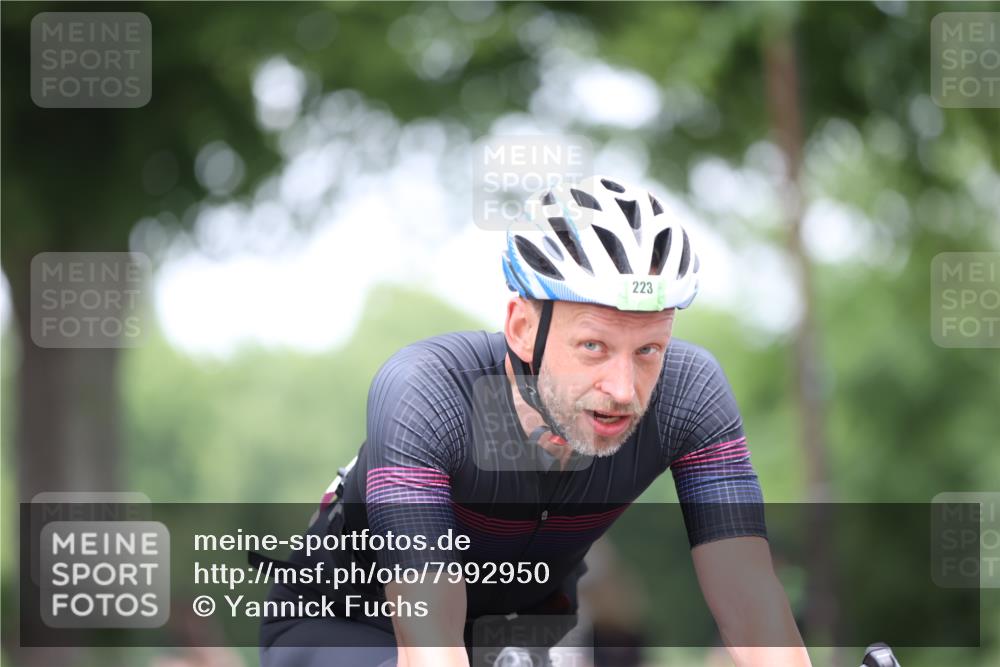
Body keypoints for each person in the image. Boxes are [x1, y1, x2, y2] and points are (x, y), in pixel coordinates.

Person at [258, 176, 812, 667]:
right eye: (593, 345)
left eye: (648, 350)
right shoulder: (427, 393)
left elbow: (751, 601)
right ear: (522, 328)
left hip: (522, 641)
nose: (623, 390)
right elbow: (429, 644)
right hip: (347, 631)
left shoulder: (690, 394)